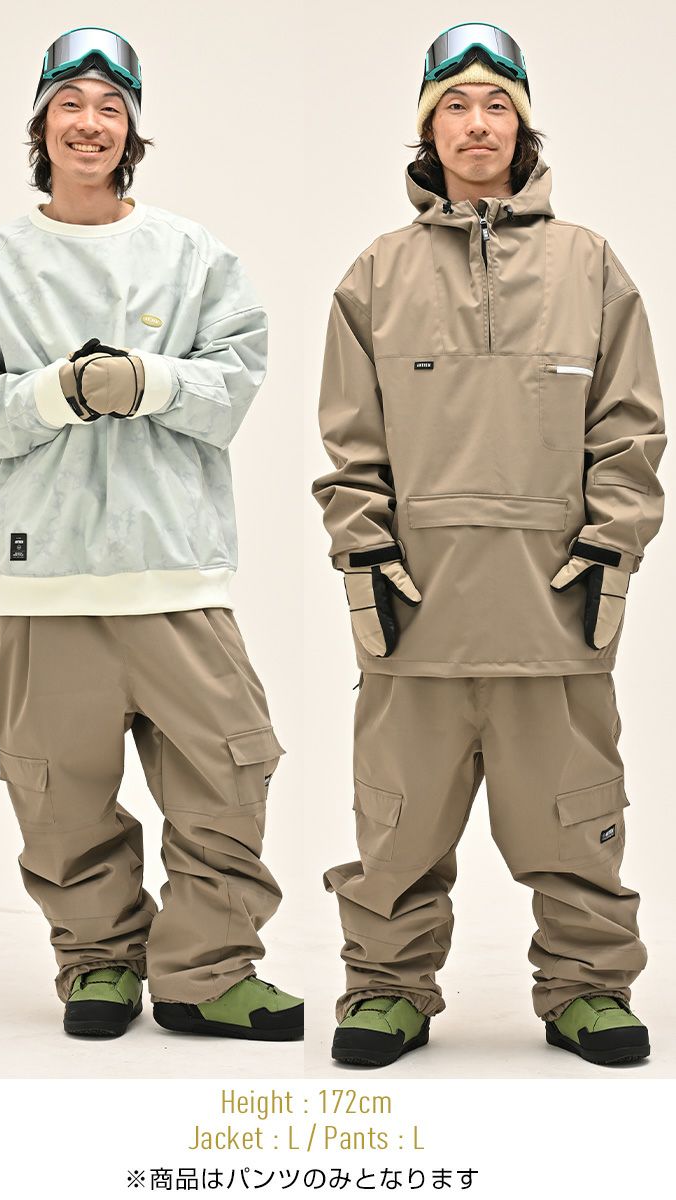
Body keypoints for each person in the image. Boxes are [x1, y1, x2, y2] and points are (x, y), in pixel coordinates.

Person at [0, 26, 302, 1042]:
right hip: (46, 580)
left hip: (175, 575)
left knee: (227, 776)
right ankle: (97, 963)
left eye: (110, 107)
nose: (89, 124)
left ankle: (207, 974)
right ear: (41, 125)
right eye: (71, 104)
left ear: (132, 130)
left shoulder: (193, 257)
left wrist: (148, 380)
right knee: (60, 796)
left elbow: (234, 384)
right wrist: (56, 392)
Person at [312, 21, 665, 1068]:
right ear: (428, 129)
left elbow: (630, 430)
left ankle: (587, 987)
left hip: (554, 610)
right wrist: (364, 561)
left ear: (522, 126)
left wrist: (610, 551)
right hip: (414, 612)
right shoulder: (376, 274)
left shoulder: (588, 264)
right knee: (397, 831)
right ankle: (386, 987)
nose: (476, 123)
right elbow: (350, 445)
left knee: (574, 820)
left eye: (496, 105)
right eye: (455, 106)